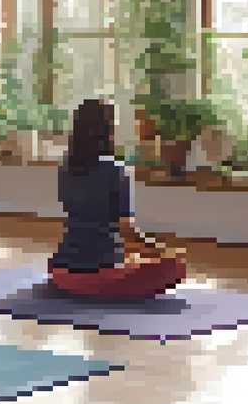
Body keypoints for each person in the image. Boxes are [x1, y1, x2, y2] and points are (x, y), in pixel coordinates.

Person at [48, 99, 187, 299]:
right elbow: (125, 229)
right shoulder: (115, 169)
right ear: (106, 130)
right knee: (175, 266)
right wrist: (160, 250)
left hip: (62, 269)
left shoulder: (65, 166)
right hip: (100, 271)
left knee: (131, 257)